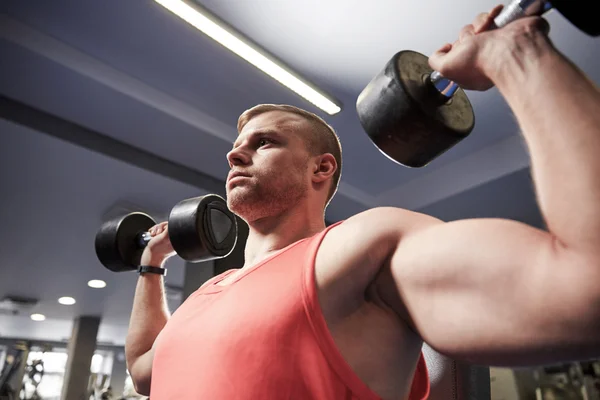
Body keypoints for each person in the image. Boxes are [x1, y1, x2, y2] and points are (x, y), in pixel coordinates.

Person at [123, 5, 600, 400]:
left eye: (264, 142)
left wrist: (517, 54)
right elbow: (145, 369)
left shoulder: (360, 248)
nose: (234, 153)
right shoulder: (208, 292)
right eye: (237, 145)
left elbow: (587, 288)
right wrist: (152, 266)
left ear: (321, 169)